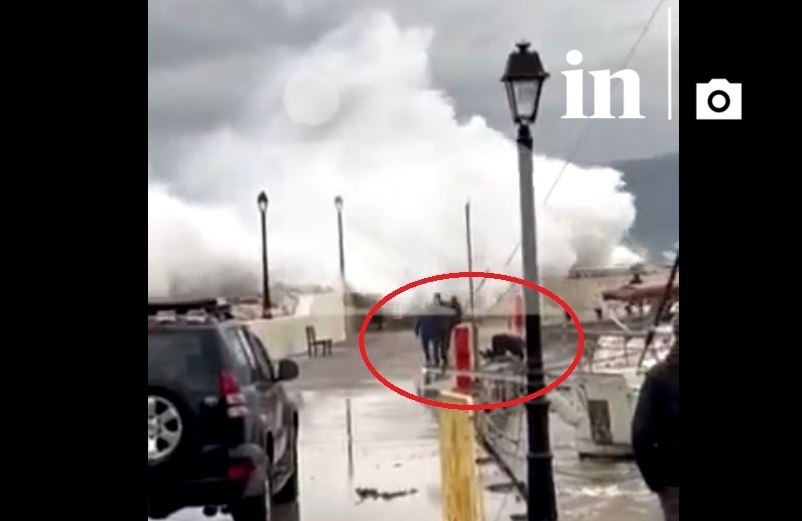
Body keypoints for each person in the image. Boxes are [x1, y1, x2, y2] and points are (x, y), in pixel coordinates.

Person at [631, 314, 680, 521]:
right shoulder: (659, 377)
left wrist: (656, 481)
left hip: (673, 480)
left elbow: (640, 435)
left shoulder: (658, 377)